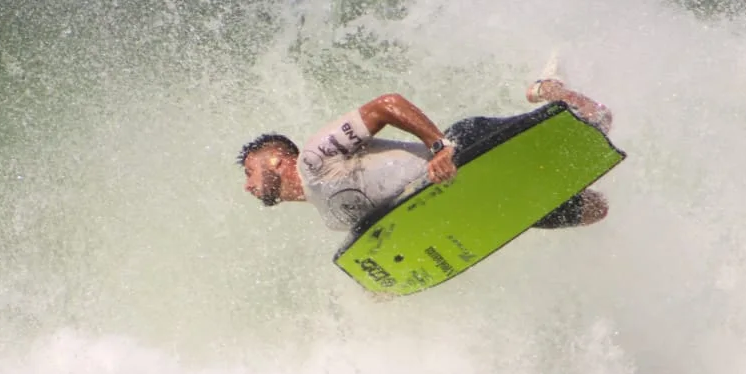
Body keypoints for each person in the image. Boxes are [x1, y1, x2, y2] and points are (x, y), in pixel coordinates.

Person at [238, 78, 613, 232]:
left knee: (597, 122)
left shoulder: (315, 159)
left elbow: (387, 105)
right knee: (595, 209)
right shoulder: (333, 220)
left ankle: (553, 90)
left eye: (249, 172)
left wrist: (439, 147)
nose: (248, 186)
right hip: (477, 197)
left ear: (274, 160)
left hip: (467, 149)